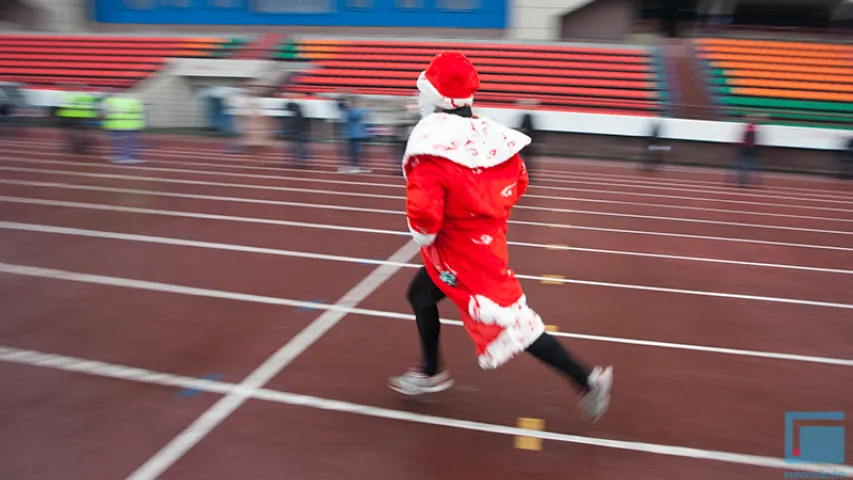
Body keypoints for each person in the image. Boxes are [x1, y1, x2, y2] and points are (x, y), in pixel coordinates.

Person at [388, 52, 613, 422]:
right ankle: (430, 371)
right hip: (477, 244)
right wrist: (484, 214)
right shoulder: (487, 132)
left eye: (422, 91)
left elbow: (425, 218)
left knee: (514, 322)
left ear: (436, 96)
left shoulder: (430, 145)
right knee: (420, 295)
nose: (418, 99)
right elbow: (518, 181)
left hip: (464, 256)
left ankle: (587, 379)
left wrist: (431, 232)